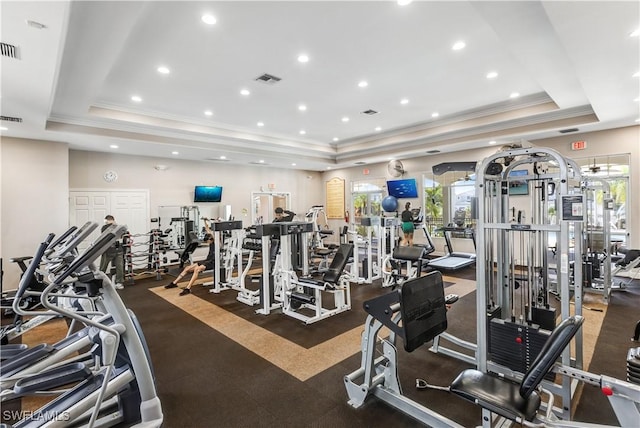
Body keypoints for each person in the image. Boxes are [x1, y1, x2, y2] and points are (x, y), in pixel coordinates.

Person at [165, 218, 215, 296]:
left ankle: (188, 288)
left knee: (197, 269)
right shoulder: (211, 240)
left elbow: (213, 234)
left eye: (207, 241)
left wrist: (216, 222)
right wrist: (205, 221)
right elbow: (208, 229)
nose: (207, 242)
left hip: (213, 262)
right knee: (187, 268)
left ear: (211, 239)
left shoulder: (217, 242)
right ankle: (174, 283)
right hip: (207, 260)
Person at [100, 215, 125, 289]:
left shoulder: (106, 227)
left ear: (106, 220)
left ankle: (100, 282)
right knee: (117, 267)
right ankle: (119, 283)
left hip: (113, 250)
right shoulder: (119, 227)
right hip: (112, 250)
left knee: (104, 267)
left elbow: (124, 235)